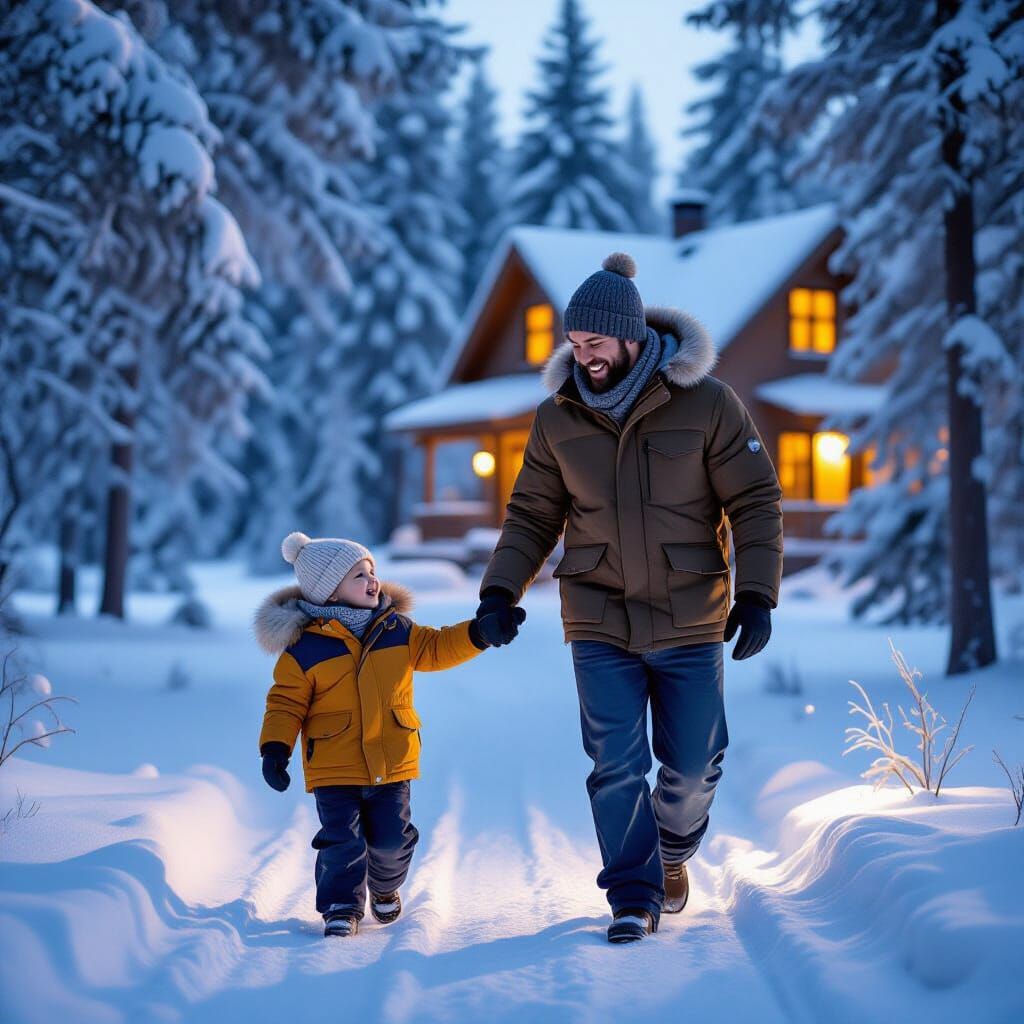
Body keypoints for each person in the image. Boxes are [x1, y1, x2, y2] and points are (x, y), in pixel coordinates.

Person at [473, 252, 783, 943]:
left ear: (632, 336)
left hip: (691, 612)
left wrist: (757, 592)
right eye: (575, 346)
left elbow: (756, 500)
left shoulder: (707, 403)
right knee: (615, 762)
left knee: (696, 763)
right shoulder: (558, 418)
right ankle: (633, 895)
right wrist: (500, 589)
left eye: (596, 344)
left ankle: (673, 851)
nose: (584, 358)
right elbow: (530, 515)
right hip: (598, 614)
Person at [255, 531, 522, 937]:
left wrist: (478, 633)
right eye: (358, 575)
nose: (372, 580)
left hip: (392, 759)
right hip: (334, 764)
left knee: (391, 840)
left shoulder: (397, 630)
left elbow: (438, 647)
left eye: (371, 570)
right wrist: (275, 748)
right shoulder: (305, 649)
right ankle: (342, 907)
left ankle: (385, 887)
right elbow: (286, 703)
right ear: (328, 592)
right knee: (341, 842)